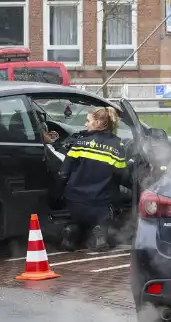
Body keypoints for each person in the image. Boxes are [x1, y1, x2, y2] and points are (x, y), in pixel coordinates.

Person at [55, 107, 129, 252]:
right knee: (113, 209)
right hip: (99, 205)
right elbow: (122, 176)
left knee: (80, 220)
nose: (85, 124)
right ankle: (101, 233)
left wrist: (56, 196)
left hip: (74, 202)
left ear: (99, 123)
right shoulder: (116, 147)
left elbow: (63, 173)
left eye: (88, 121)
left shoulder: (79, 143)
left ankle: (71, 231)